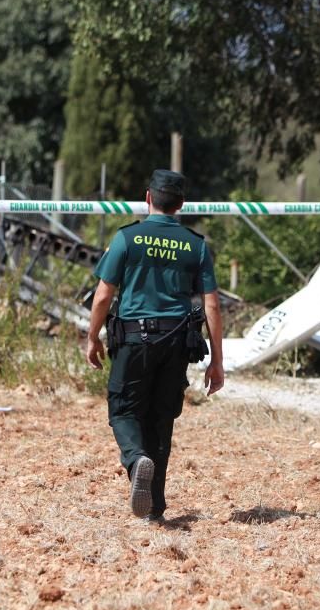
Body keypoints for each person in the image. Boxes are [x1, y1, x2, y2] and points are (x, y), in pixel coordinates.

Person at [86, 169, 224, 522]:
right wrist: (217, 362)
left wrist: (92, 337)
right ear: (181, 204)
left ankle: (135, 460)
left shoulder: (127, 238)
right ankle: (155, 510)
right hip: (177, 341)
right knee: (161, 420)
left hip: (134, 338)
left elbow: (103, 296)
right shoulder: (195, 244)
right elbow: (211, 305)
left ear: (148, 197)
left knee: (123, 410)